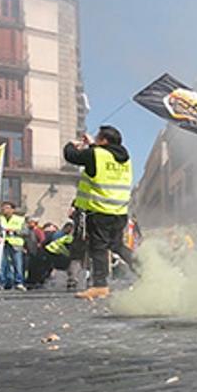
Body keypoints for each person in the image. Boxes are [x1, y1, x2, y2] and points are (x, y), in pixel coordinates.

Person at [64, 124, 134, 300]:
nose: (95, 139)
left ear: (104, 140)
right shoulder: (125, 159)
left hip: (100, 210)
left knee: (99, 248)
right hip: (119, 210)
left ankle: (100, 286)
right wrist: (92, 146)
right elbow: (104, 160)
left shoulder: (95, 154)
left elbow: (71, 156)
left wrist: (72, 145)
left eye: (97, 137)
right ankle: (145, 269)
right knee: (116, 245)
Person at [0, 201, 28, 291]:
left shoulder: (20, 219)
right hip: (2, 243)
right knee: (2, 264)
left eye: (7, 208)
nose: (4, 210)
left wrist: (14, 231)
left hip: (16, 244)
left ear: (12, 210)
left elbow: (26, 232)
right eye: (3, 208)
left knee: (17, 264)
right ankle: (2, 282)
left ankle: (18, 282)